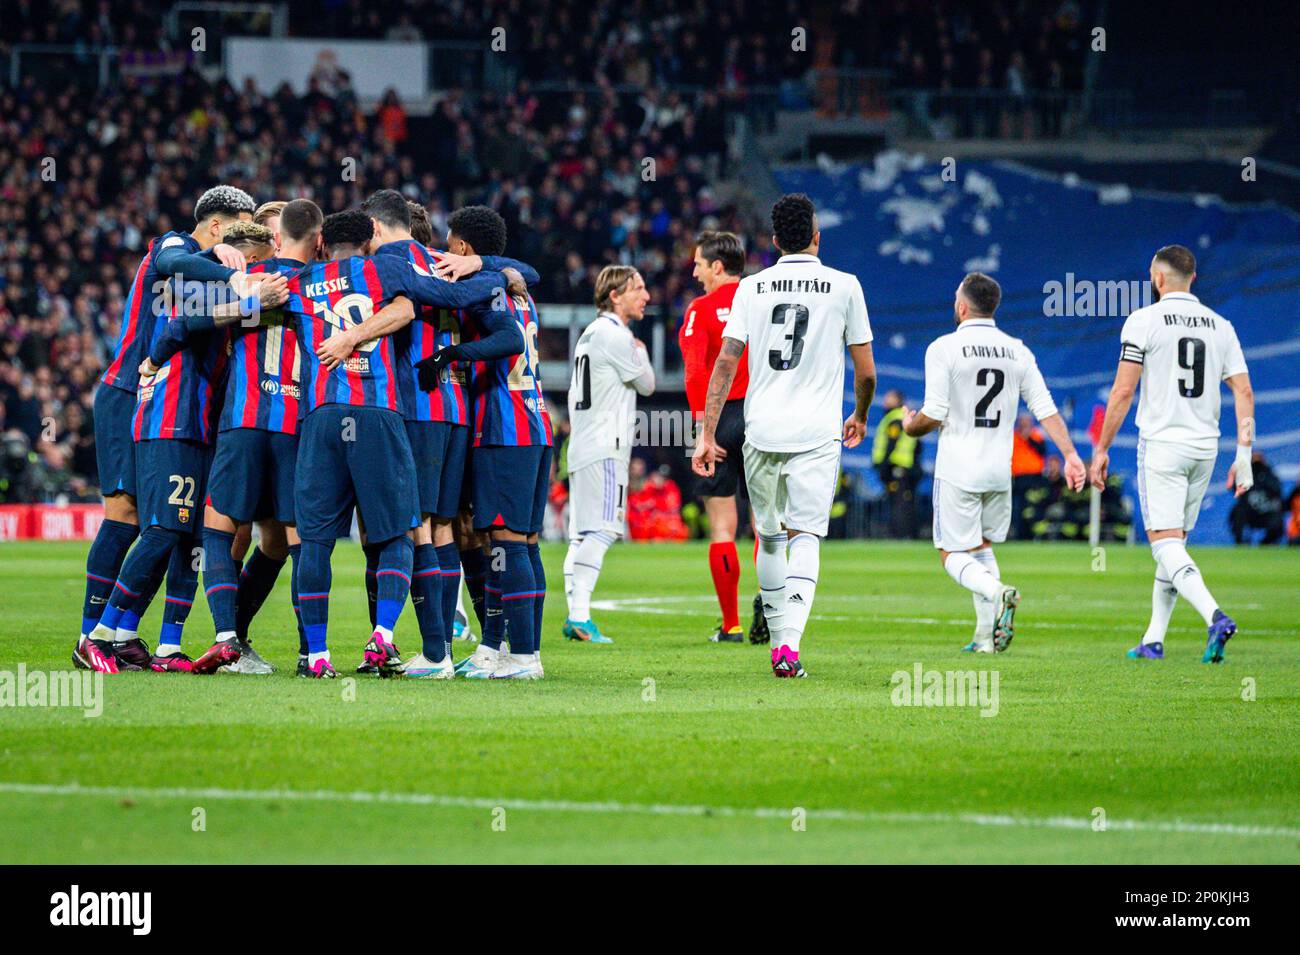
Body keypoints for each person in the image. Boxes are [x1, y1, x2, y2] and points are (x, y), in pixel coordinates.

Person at [285, 206, 506, 677]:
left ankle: (318, 656)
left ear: (323, 242)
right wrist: (495, 272)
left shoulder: (300, 281)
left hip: (321, 415)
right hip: (379, 413)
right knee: (402, 531)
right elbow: (419, 302)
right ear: (369, 240)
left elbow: (245, 299)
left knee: (315, 541)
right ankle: (383, 636)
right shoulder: (383, 267)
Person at [75, 185, 259, 673]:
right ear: (217, 226)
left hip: (170, 403)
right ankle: (90, 633)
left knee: (172, 526)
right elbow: (181, 269)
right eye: (237, 229)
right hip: (127, 392)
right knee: (128, 516)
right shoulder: (172, 246)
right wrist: (229, 271)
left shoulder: (205, 281)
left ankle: (132, 636)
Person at [693, 193, 876, 678]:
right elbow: (867, 371)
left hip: (762, 431)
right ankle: (787, 648)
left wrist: (707, 433)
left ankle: (777, 638)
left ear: (774, 241)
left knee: (770, 537)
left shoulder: (752, 287)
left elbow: (726, 361)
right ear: (817, 237)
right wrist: (858, 414)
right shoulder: (845, 286)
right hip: (816, 434)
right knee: (807, 537)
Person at [903, 272, 1086, 652]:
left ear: (962, 306)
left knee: (952, 553)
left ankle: (999, 591)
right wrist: (1070, 455)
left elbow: (934, 412)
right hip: (999, 472)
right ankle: (985, 638)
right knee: (982, 546)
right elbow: (1045, 409)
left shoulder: (944, 348)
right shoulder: (1018, 349)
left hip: (959, 469)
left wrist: (910, 425)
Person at [1089, 245, 1255, 662]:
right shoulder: (1222, 326)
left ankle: (1215, 616)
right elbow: (1244, 392)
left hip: (1163, 445)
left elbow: (1124, 390)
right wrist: (1244, 454)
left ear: (1158, 279)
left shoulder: (1144, 321)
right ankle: (1153, 639)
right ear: (1193, 278)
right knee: (1174, 541)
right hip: (1206, 448)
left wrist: (1102, 447)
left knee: (1163, 543)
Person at [562, 265, 656, 645]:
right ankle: (581, 618)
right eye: (638, 288)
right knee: (603, 530)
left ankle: (575, 616)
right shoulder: (616, 337)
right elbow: (648, 385)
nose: (645, 295)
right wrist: (642, 351)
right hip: (605, 449)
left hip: (585, 446)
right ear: (615, 296)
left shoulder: (590, 334)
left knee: (581, 535)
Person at [679, 230, 757, 642]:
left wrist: (701, 429)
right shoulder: (763, 300)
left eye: (698, 265)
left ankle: (731, 624)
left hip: (722, 413)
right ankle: (773, 612)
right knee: (768, 526)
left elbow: (695, 371)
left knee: (724, 526)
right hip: (763, 414)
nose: (695, 273)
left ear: (718, 267)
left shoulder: (701, 309)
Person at [871, 389, 920, 538]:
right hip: (903, 467)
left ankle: (900, 534)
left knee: (899, 503)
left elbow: (891, 443)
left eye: (889, 398)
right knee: (901, 501)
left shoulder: (895, 419)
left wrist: (884, 465)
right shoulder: (901, 418)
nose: (885, 401)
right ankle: (904, 533)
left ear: (898, 401)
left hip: (896, 466)